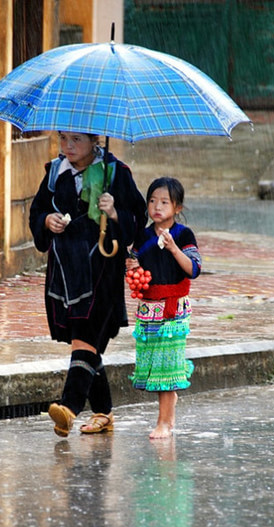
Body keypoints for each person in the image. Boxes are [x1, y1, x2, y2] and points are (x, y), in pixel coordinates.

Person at [29, 132, 146, 437]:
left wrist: (115, 212)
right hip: (66, 272)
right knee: (87, 343)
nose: (68, 146)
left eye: (76, 139)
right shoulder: (55, 173)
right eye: (63, 138)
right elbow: (37, 210)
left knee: (86, 336)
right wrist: (46, 221)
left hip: (101, 271)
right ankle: (104, 413)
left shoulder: (114, 173)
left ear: (95, 140)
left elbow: (138, 218)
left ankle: (68, 409)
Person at [126, 177, 201, 439]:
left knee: (167, 368)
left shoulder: (183, 235)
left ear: (177, 208)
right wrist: (132, 268)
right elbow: (135, 263)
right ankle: (167, 411)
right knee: (155, 368)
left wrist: (172, 248)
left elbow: (193, 269)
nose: (157, 207)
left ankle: (165, 423)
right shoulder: (143, 236)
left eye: (164, 202)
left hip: (173, 310)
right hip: (148, 310)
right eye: (152, 201)